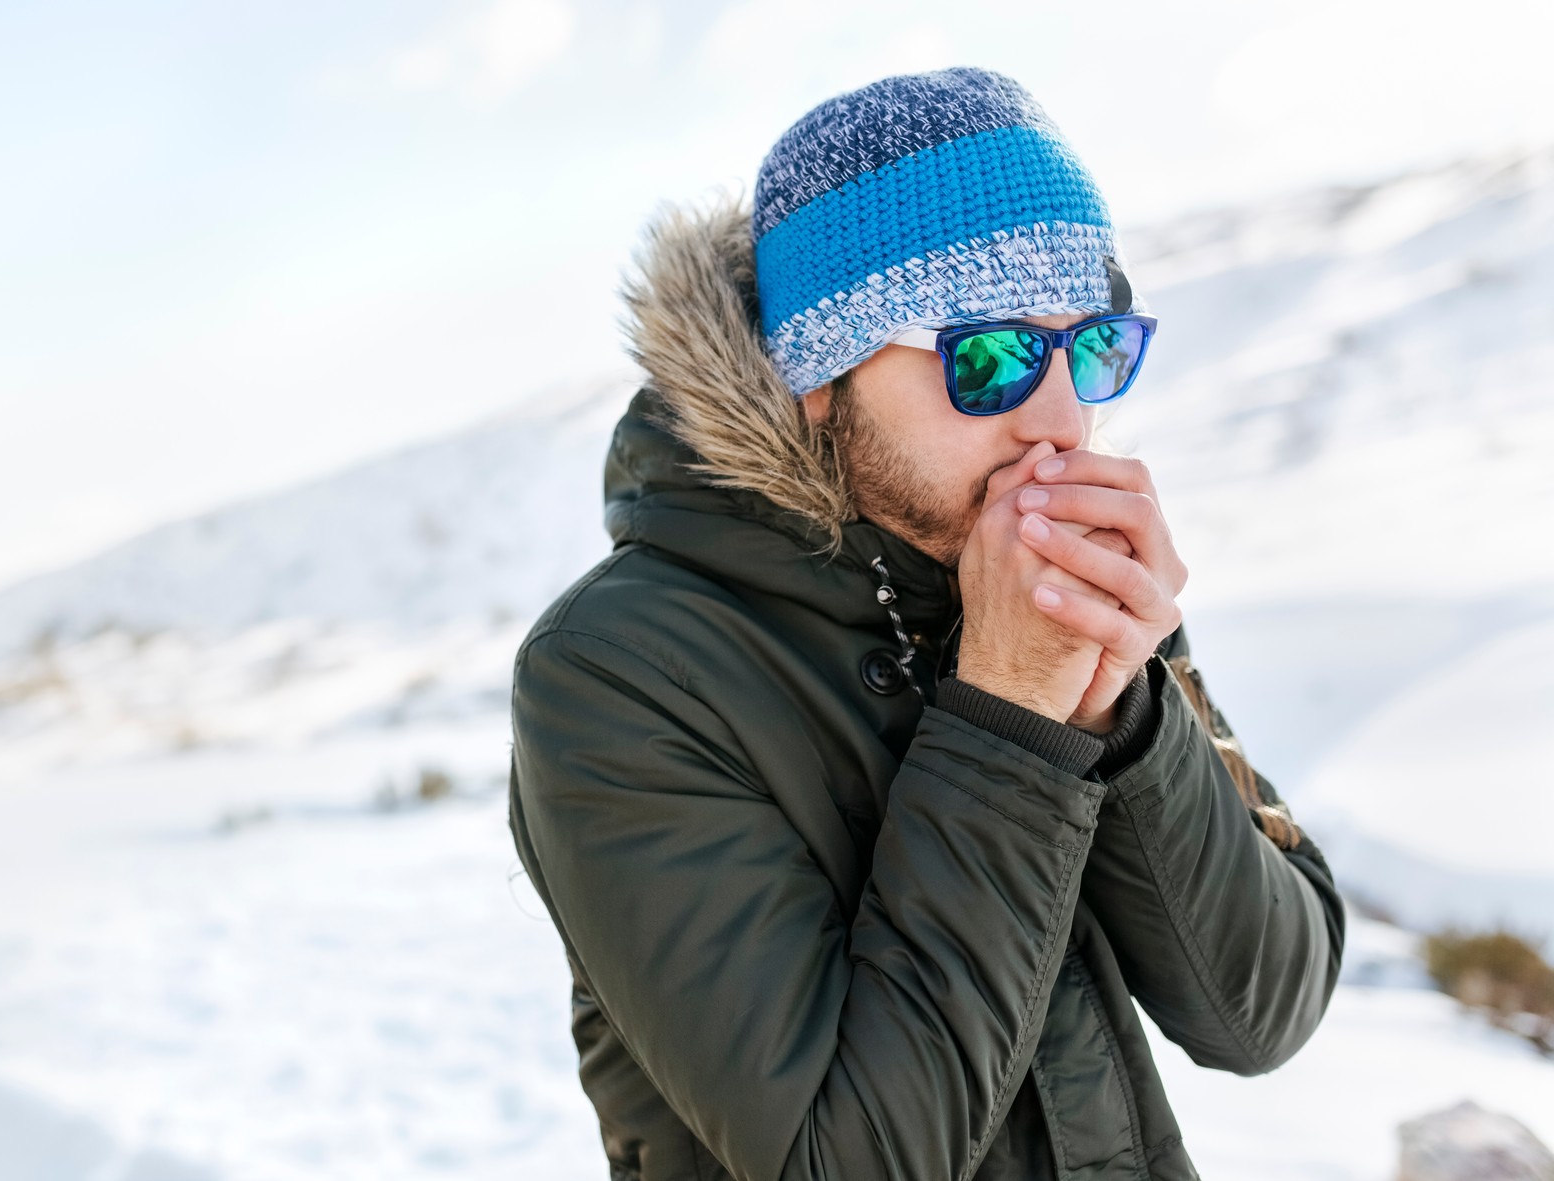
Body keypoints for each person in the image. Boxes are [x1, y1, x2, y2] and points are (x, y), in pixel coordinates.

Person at [508, 66, 1344, 1181]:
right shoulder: (618, 673)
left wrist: (1126, 711)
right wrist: (1008, 715)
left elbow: (1262, 1012)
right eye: (987, 356)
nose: (1061, 424)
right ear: (817, 372)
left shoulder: (1046, 574)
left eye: (1092, 349)